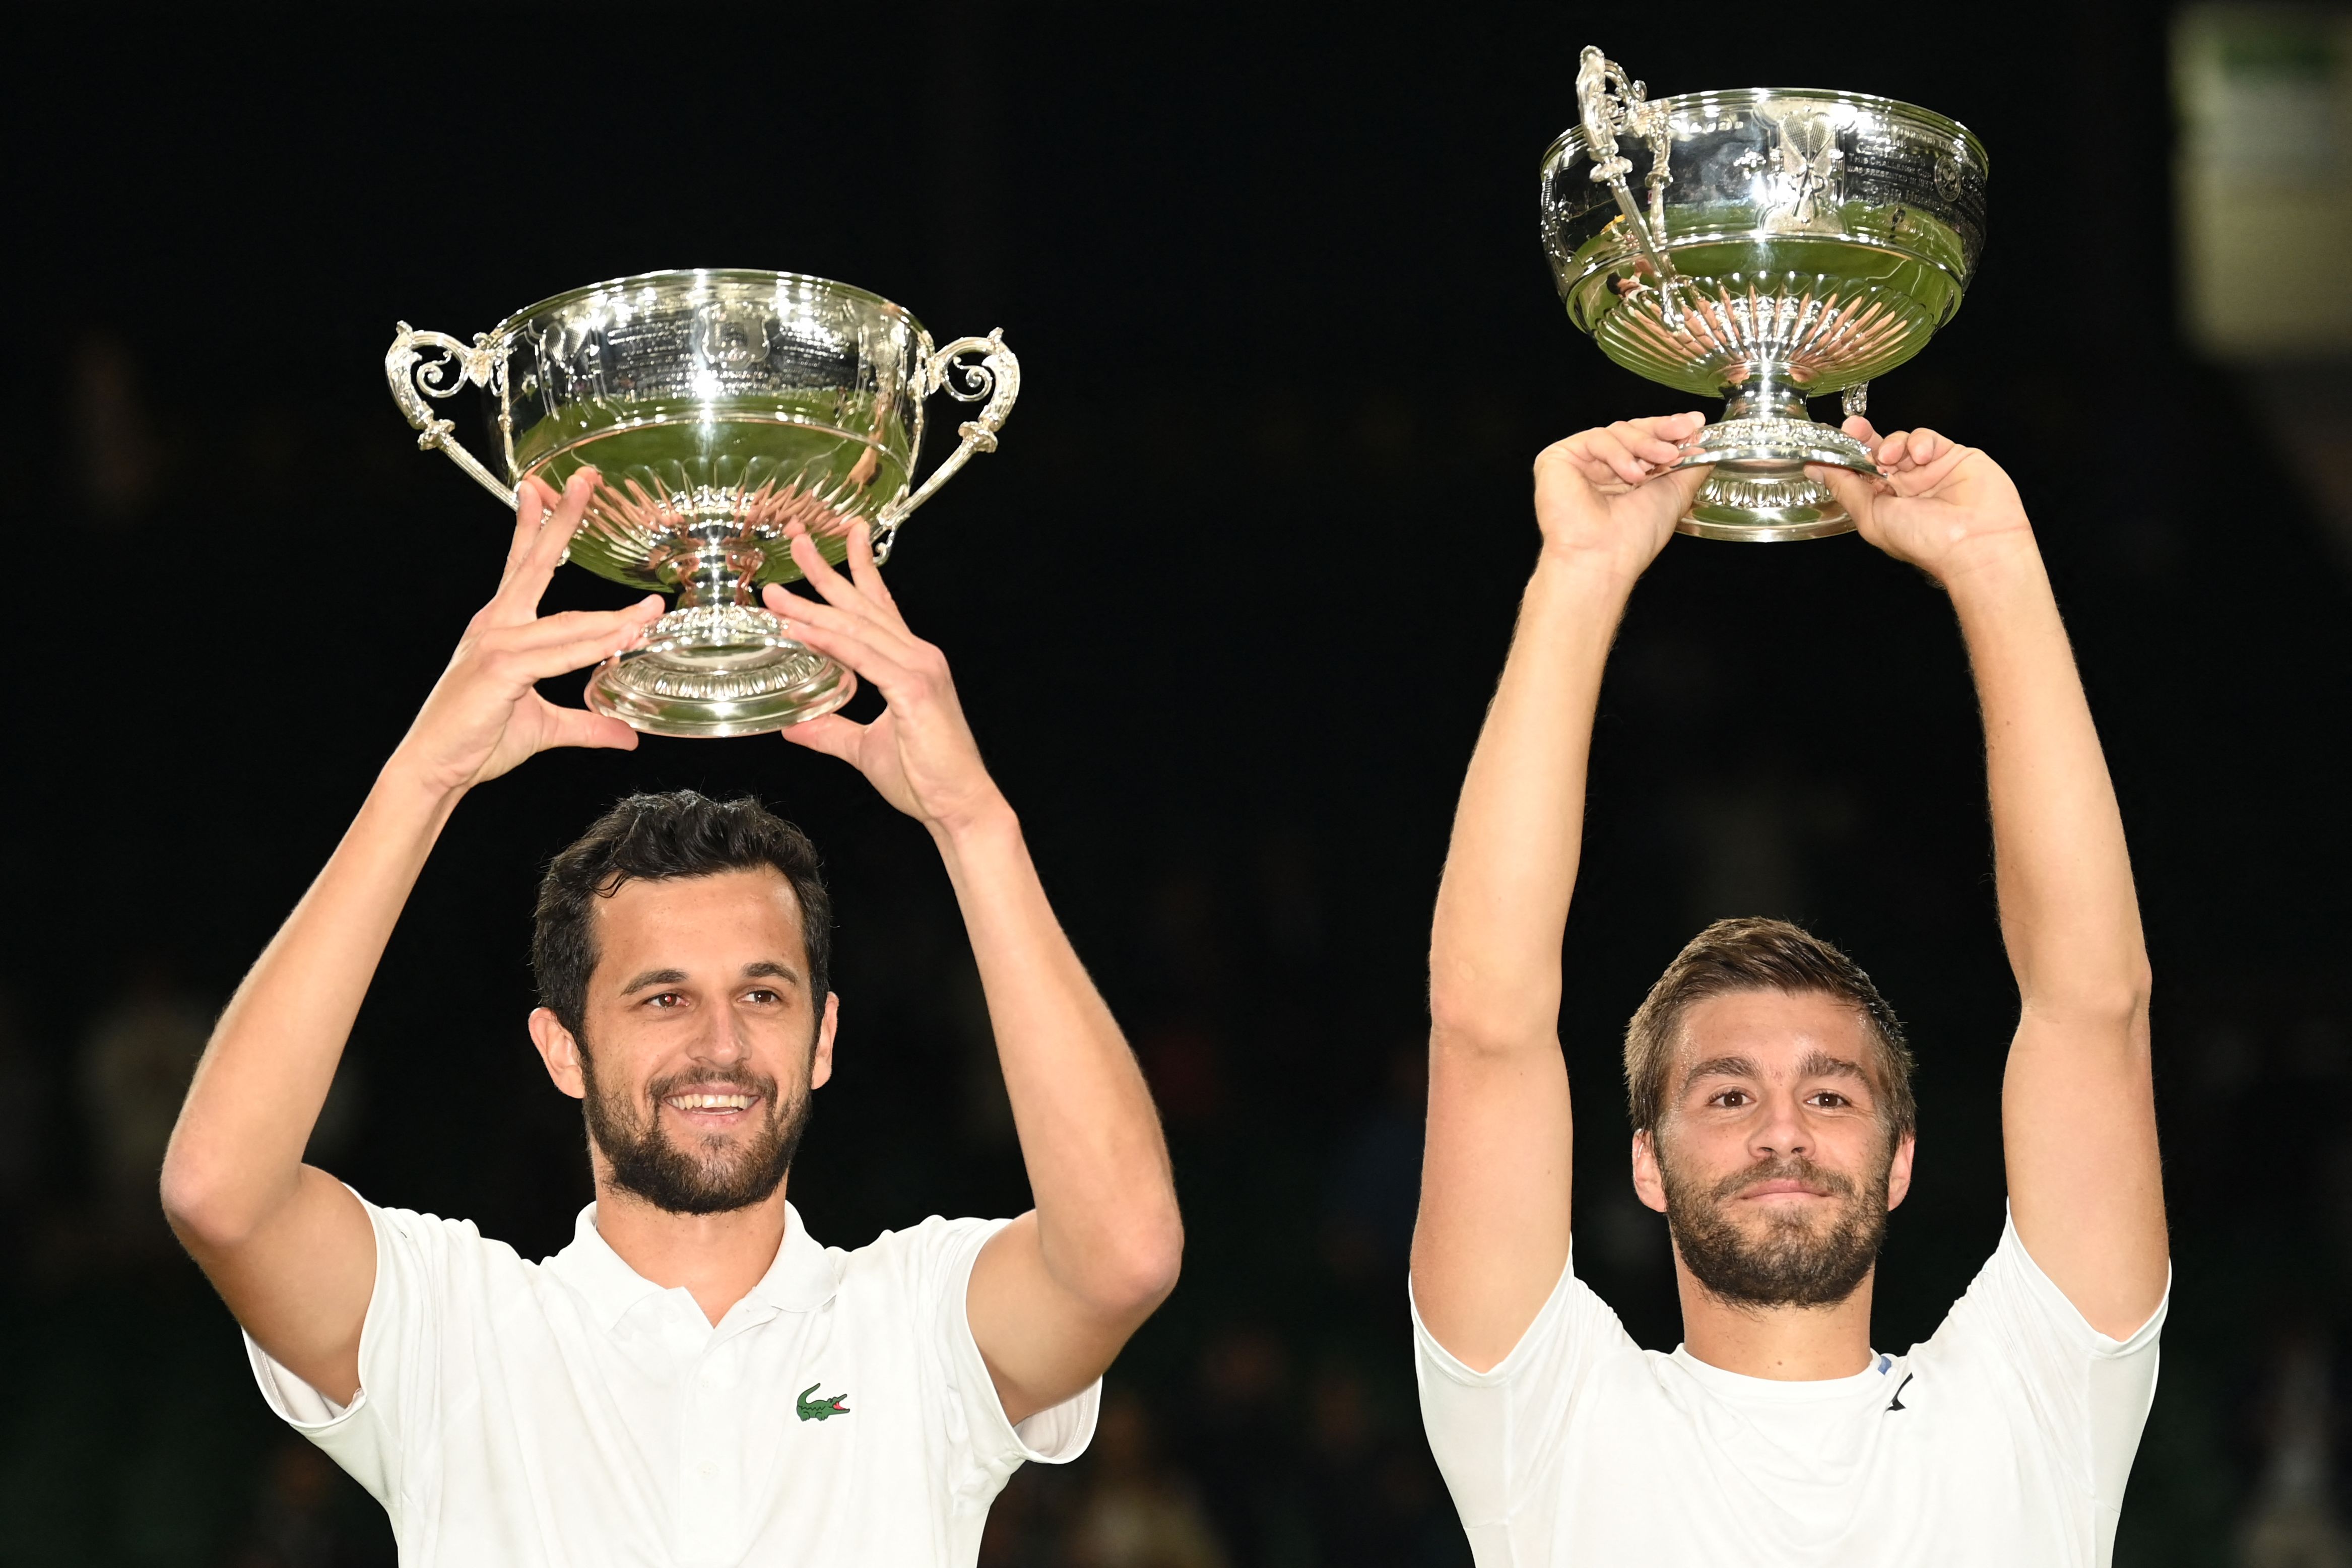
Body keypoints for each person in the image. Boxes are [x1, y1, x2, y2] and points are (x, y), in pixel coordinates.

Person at [162, 473, 1185, 1565]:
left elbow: (1122, 1255)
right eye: (662, 997)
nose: (722, 1043)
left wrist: (974, 820)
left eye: (763, 992)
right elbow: (221, 1192)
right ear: (562, 1048)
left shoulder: (915, 1323)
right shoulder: (457, 1330)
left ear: (823, 1037)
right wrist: (424, 776)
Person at [1410, 413, 2169, 1565]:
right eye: (1724, 1095)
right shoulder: (1547, 1424)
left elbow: (2092, 1002)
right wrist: (1580, 571)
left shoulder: (2039, 1403)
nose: (1782, 1129)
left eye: (1830, 1096)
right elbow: (1486, 1020)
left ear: (1902, 1154)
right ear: (1645, 1161)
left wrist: (1993, 563)